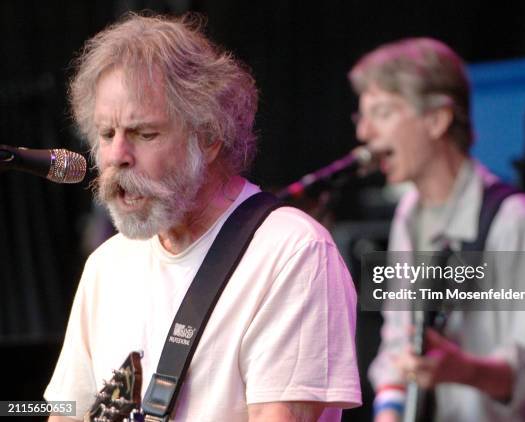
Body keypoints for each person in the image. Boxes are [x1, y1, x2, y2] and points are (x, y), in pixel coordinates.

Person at [45, 13, 361, 422]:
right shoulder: (106, 265)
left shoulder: (293, 252)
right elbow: (67, 411)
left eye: (144, 133)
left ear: (208, 136)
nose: (116, 156)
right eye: (106, 135)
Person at [349, 38, 525, 421]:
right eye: (362, 118)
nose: (365, 134)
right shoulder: (408, 215)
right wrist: (389, 410)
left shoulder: (514, 220)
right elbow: (396, 346)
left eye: (382, 113)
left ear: (437, 119)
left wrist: (463, 370)